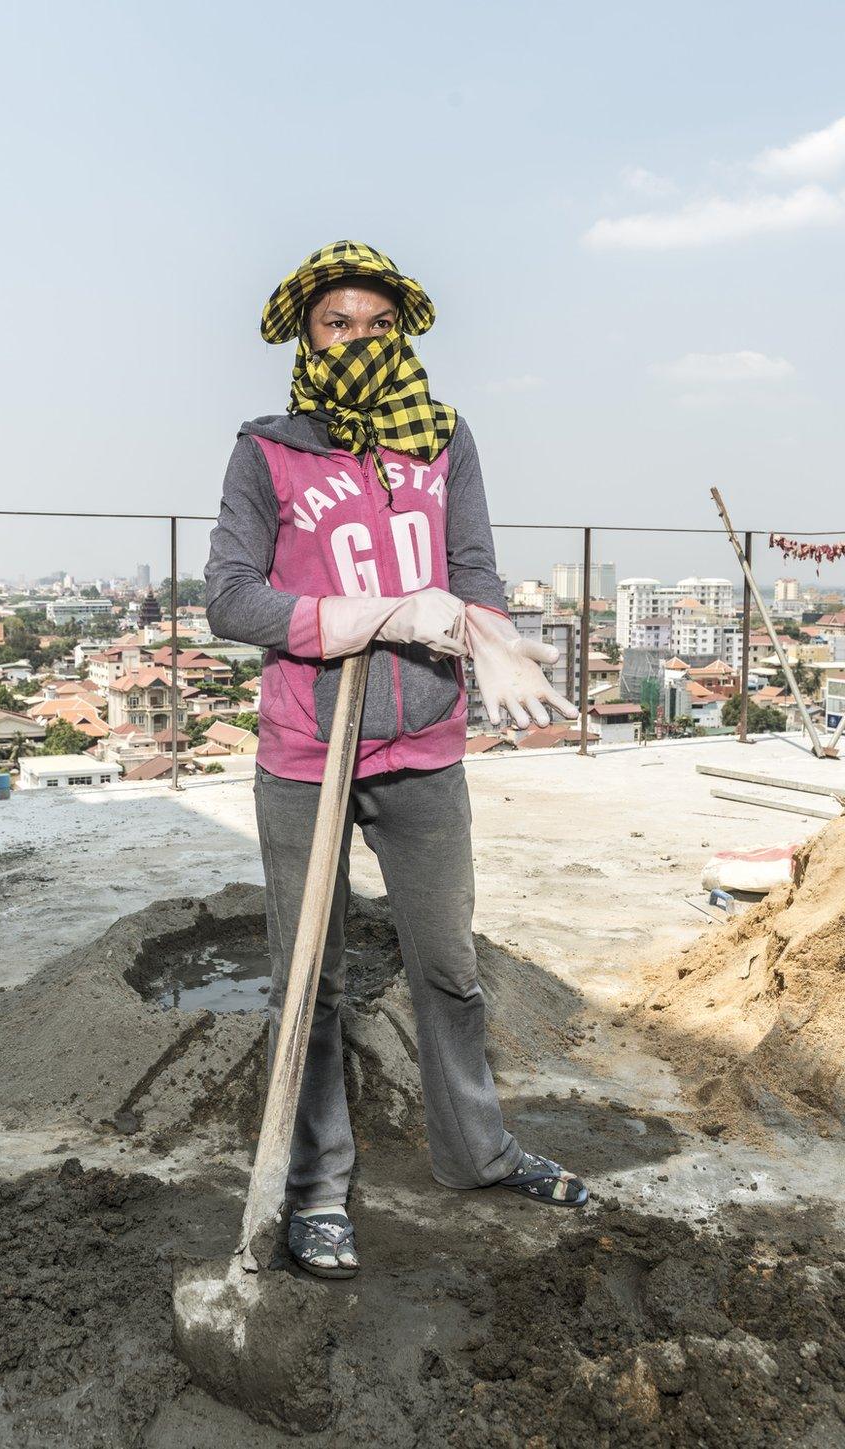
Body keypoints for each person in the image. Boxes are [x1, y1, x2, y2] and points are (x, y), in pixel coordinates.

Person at [205, 240, 588, 1281]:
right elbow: (232, 597)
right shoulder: (269, 449)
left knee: (449, 969)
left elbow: (472, 570)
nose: (360, 343)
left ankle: (478, 1151)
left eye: (380, 327)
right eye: (339, 325)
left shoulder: (444, 438)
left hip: (426, 745)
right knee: (310, 982)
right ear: (304, 334)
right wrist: (377, 612)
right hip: (305, 748)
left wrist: (490, 634)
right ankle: (317, 1188)